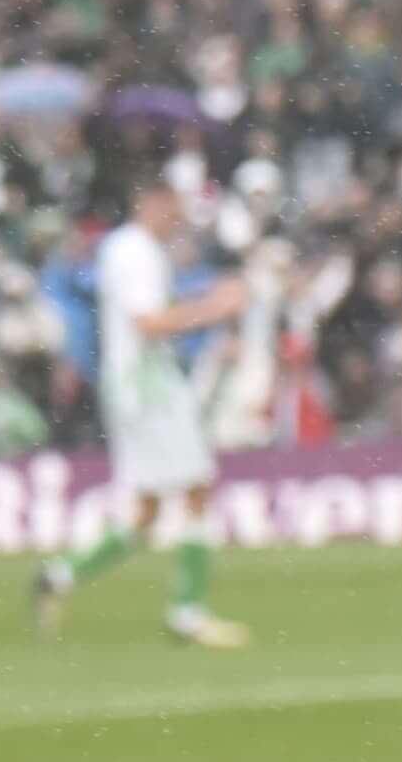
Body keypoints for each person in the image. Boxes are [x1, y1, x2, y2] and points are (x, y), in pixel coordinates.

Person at [35, 174, 255, 648]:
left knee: (147, 510)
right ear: (151, 202)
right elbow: (150, 323)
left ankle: (59, 577)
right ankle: (188, 614)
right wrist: (215, 307)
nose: (178, 216)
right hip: (148, 386)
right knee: (196, 487)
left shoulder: (127, 249)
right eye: (172, 205)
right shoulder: (137, 252)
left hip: (132, 384)